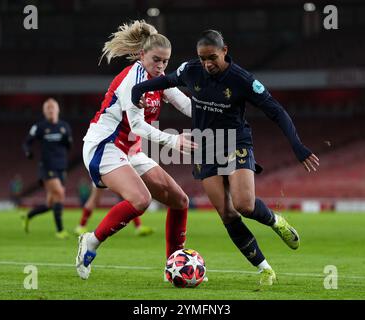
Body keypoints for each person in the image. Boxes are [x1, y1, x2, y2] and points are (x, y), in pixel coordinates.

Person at [132, 30, 320, 286]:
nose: (207, 64)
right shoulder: (191, 69)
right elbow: (166, 81)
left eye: (212, 58)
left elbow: (276, 110)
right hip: (206, 147)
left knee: (244, 204)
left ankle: (276, 222)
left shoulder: (242, 80)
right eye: (203, 58)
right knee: (227, 214)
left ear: (225, 51)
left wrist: (297, 145)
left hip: (235, 142)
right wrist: (138, 89)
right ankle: (265, 269)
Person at [76, 20, 196, 280]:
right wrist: (174, 142)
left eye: (165, 61)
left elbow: (186, 105)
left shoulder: (160, 79)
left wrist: (218, 111)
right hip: (104, 146)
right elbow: (138, 125)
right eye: (156, 60)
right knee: (141, 199)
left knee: (180, 201)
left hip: (130, 149)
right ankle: (91, 241)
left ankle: (173, 267)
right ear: (142, 55)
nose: (161, 67)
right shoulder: (134, 78)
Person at [22, 98, 73, 239]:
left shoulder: (65, 126)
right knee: (60, 193)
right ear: (44, 111)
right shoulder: (39, 127)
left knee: (51, 204)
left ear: (58, 110)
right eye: (48, 108)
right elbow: (27, 143)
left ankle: (28, 216)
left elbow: (69, 145)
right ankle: (60, 231)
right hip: (46, 167)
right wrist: (28, 152)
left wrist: (66, 141)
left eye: (53, 107)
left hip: (61, 167)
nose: (51, 110)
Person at [74, 185, 155, 236]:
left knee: (129, 198)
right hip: (103, 168)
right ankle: (81, 226)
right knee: (94, 199)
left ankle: (138, 227)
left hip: (113, 167)